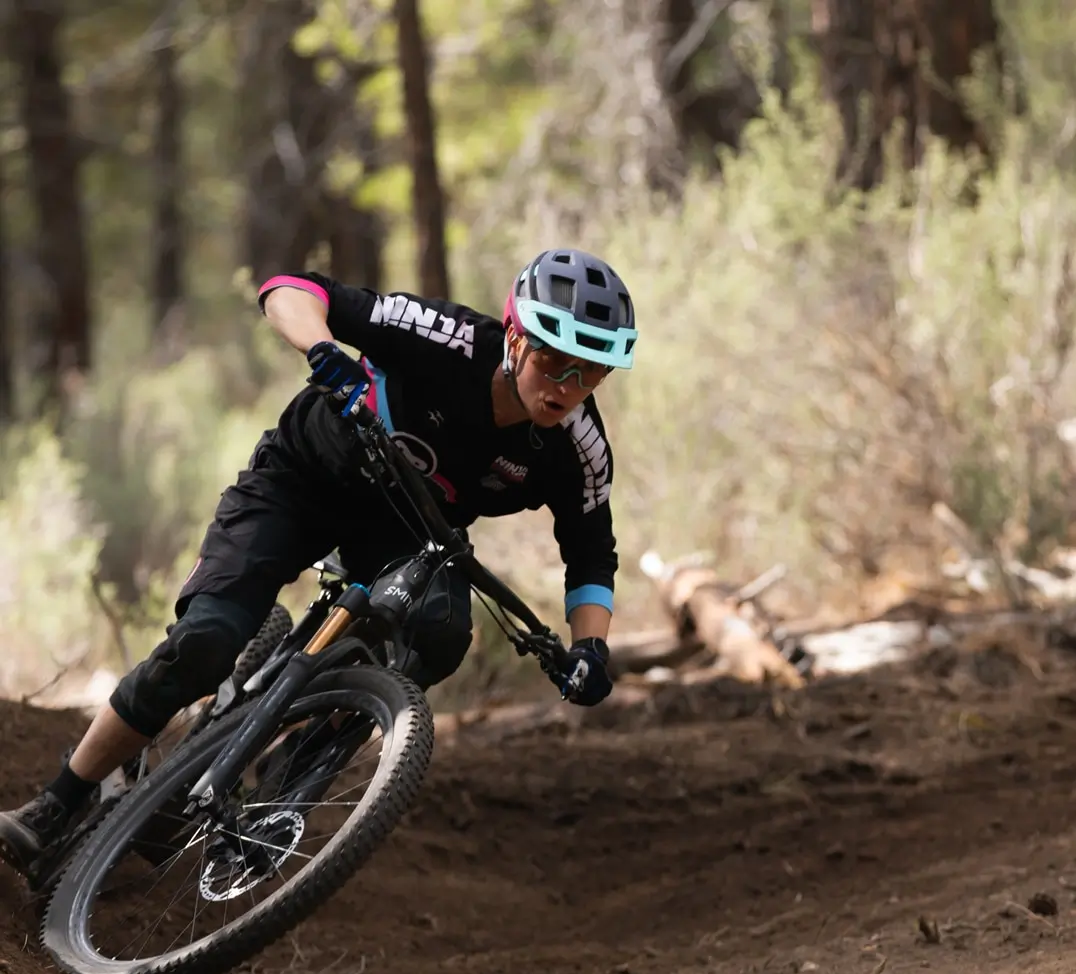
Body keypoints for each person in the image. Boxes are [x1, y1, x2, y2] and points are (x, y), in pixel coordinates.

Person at [0, 247, 638, 874]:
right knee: (204, 642)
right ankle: (58, 801)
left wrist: (590, 649)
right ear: (516, 340)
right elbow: (291, 289)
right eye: (554, 362)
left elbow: (591, 555)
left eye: (590, 373)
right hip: (301, 482)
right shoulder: (449, 340)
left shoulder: (579, 450)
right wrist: (323, 349)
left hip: (406, 534)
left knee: (440, 635)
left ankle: (277, 789)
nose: (567, 389)